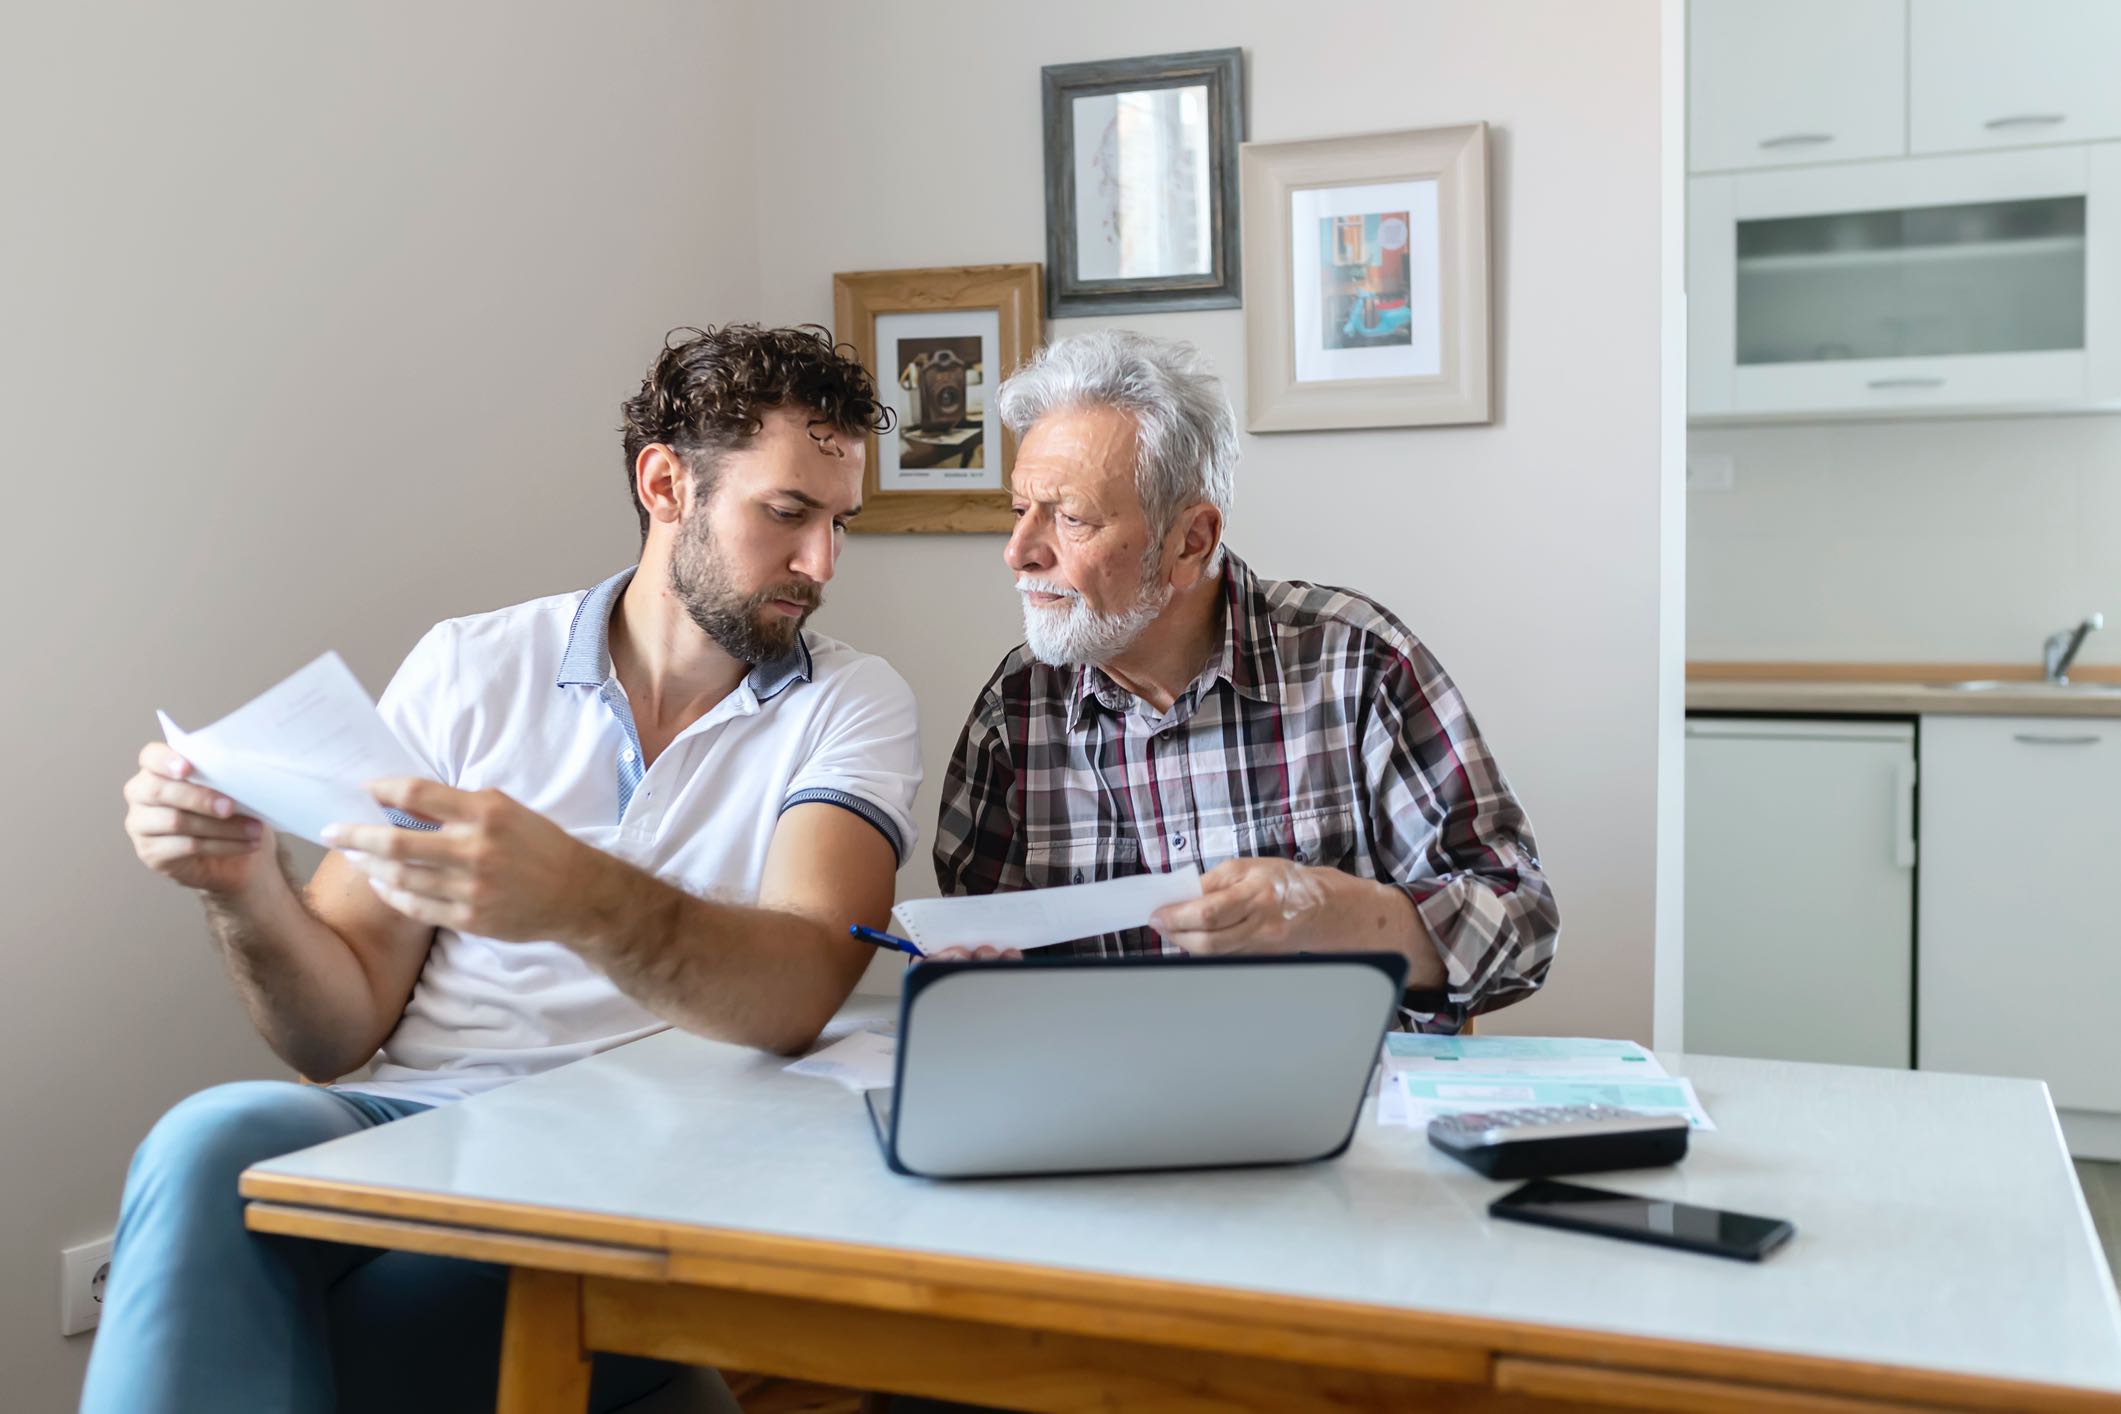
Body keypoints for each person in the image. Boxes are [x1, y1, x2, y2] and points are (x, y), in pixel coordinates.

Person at [87, 324, 920, 1413]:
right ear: (665, 483)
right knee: (209, 1141)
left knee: (268, 1315)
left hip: (639, 1171)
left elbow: (806, 979)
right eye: (787, 513)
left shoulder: (850, 706)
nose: (821, 563)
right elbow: (334, 1031)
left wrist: (580, 896)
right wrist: (244, 885)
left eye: (838, 523)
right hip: (416, 1131)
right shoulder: (469, 666)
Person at [932, 330, 1558, 1028]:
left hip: (1343, 1111)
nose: (1018, 553)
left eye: (1070, 518)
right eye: (1021, 511)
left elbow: (1523, 924)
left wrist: (1336, 913)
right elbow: (971, 963)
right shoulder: (1014, 711)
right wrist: (972, 982)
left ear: (1190, 540)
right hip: (1099, 1116)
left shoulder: (1356, 663)